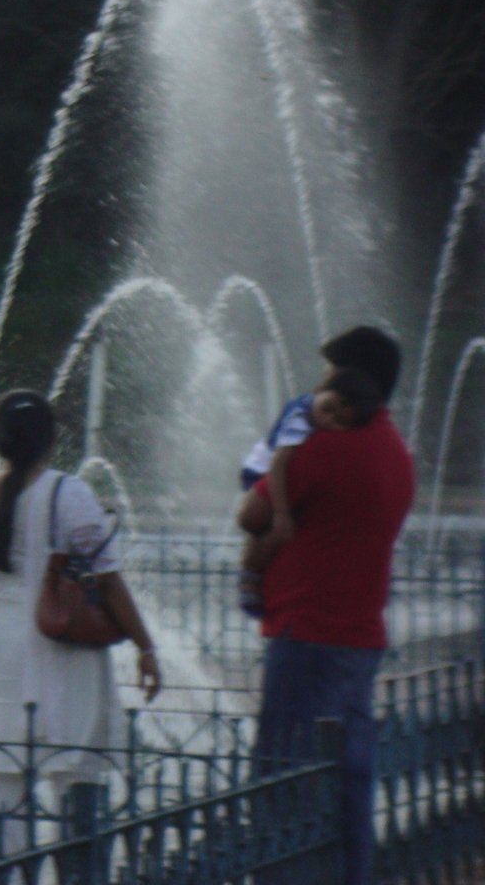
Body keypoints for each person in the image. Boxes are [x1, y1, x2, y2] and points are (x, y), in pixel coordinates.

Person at [0, 390, 159, 855]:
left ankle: (9, 868)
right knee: (73, 775)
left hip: (0, 648)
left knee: (6, 780)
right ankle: (78, 869)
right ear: (51, 438)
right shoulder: (69, 493)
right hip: (62, 645)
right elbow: (108, 581)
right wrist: (146, 648)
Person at [238, 325, 412, 885]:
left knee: (282, 785)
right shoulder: (396, 454)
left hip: (306, 635)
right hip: (359, 639)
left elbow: (252, 511)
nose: (319, 387)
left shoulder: (327, 450)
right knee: (347, 786)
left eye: (331, 378)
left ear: (352, 382)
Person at [236, 366, 384, 616]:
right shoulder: (300, 418)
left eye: (338, 422)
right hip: (260, 471)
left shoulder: (315, 409)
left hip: (274, 471)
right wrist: (282, 513)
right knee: (266, 525)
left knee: (282, 526)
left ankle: (261, 574)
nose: (328, 420)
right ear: (319, 390)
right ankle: (250, 576)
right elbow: (279, 465)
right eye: (327, 409)